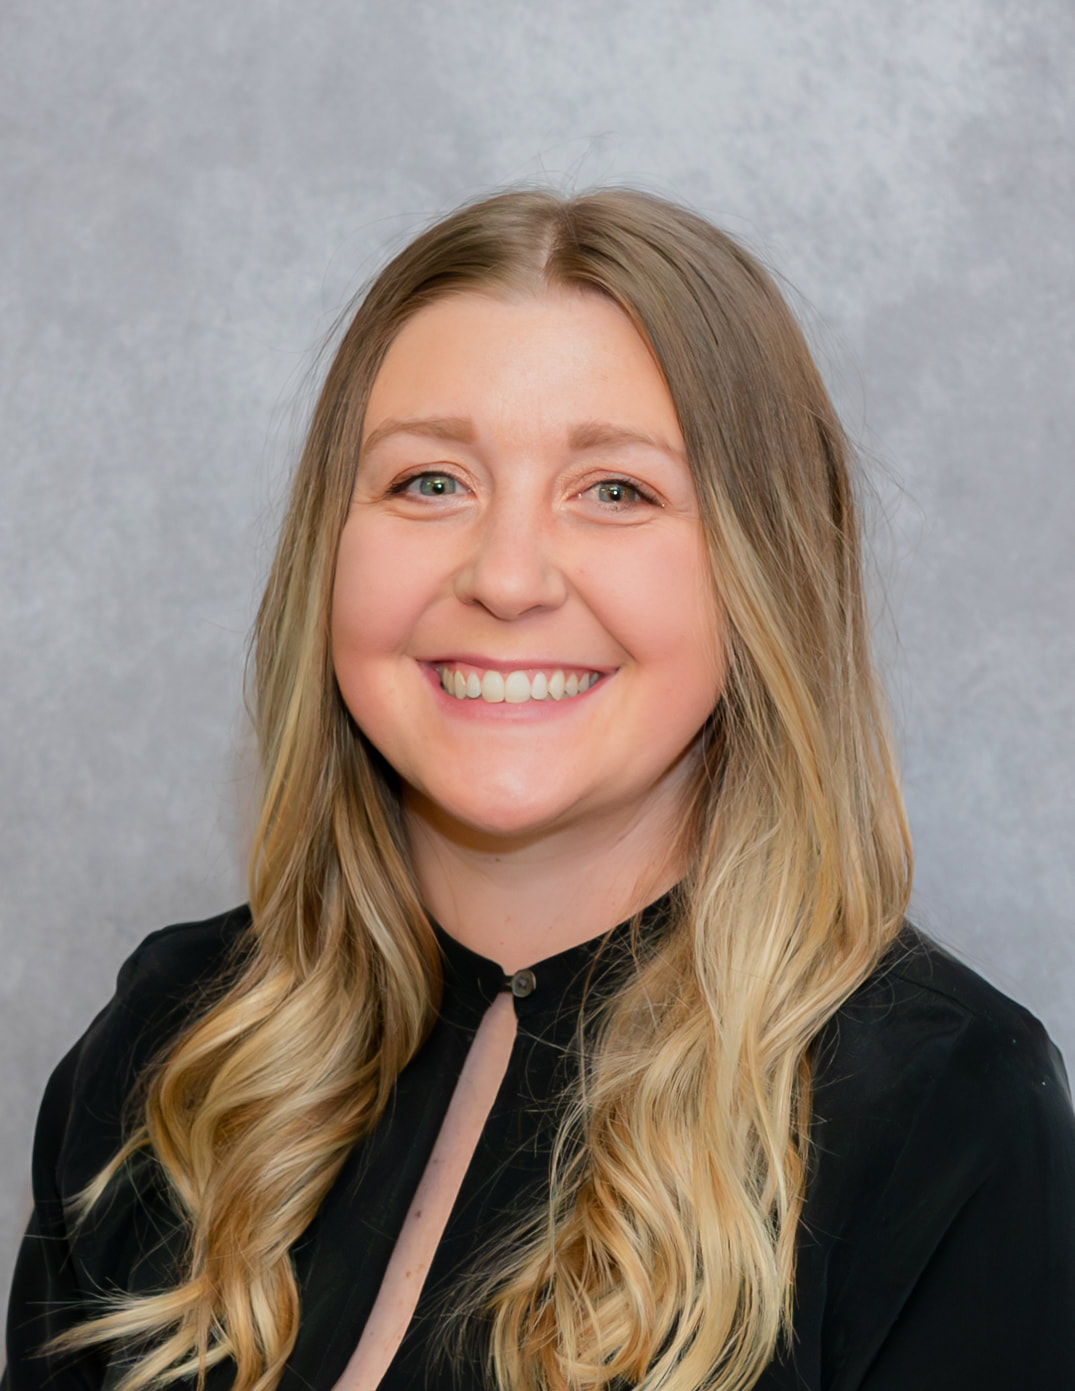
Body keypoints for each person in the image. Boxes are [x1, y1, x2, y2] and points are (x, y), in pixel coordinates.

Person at [4, 187, 1074, 1391]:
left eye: (616, 490)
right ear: (330, 550)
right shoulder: (170, 1052)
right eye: (429, 482)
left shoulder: (940, 1108)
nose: (506, 576)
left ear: (766, 568)